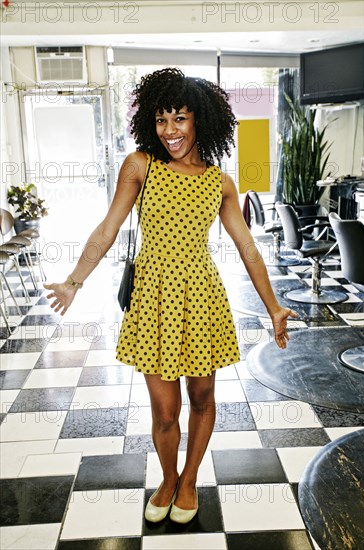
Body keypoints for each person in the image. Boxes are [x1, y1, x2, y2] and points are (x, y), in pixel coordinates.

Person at [44, 67, 297, 524]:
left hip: (201, 298)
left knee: (202, 399)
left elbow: (247, 247)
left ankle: (189, 479)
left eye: (179, 119)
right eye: (161, 120)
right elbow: (108, 228)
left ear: (200, 119)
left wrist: (274, 306)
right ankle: (167, 476)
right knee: (165, 411)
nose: (170, 130)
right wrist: (73, 280)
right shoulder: (141, 166)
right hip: (153, 298)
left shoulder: (219, 182)